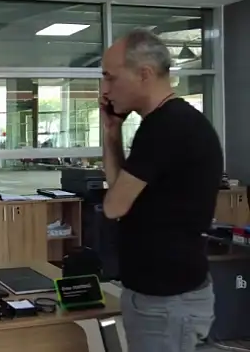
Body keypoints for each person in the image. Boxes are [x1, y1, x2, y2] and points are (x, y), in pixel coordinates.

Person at [100, 29, 222, 352]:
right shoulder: (164, 123)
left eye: (111, 77)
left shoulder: (167, 127)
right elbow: (120, 193)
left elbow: (113, 206)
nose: (105, 90)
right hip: (162, 297)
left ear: (144, 74)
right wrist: (112, 132)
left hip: (168, 303)